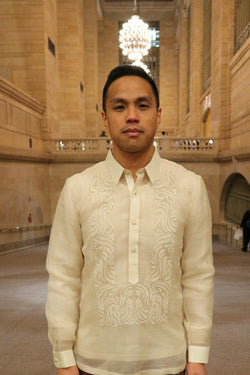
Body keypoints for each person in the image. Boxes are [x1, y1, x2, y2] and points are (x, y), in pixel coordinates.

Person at [46, 65, 214, 375]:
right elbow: (63, 278)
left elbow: (198, 277)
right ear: (105, 117)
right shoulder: (78, 189)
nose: (132, 116)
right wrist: (64, 358)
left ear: (158, 115)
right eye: (120, 106)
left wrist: (198, 357)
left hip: (169, 363)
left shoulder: (189, 187)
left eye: (143, 105)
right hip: (92, 363)